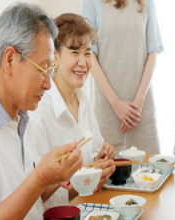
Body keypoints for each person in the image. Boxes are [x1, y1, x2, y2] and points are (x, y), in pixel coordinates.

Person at [0, 3, 83, 220]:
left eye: (51, 70)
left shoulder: (22, 114)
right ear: (10, 60)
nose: (49, 84)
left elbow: (29, 202)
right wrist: (39, 178)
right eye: (43, 69)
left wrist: (53, 177)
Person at [81, 0, 163, 154]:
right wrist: (117, 105)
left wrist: (136, 104)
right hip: (108, 113)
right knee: (109, 180)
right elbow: (90, 55)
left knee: (150, 180)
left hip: (141, 113)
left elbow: (152, 53)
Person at [28, 13, 116, 208]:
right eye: (75, 52)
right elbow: (38, 196)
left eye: (87, 52)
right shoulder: (40, 112)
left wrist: (102, 157)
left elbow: (93, 153)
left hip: (89, 206)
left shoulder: (83, 101)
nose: (83, 62)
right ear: (55, 57)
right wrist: (82, 184)